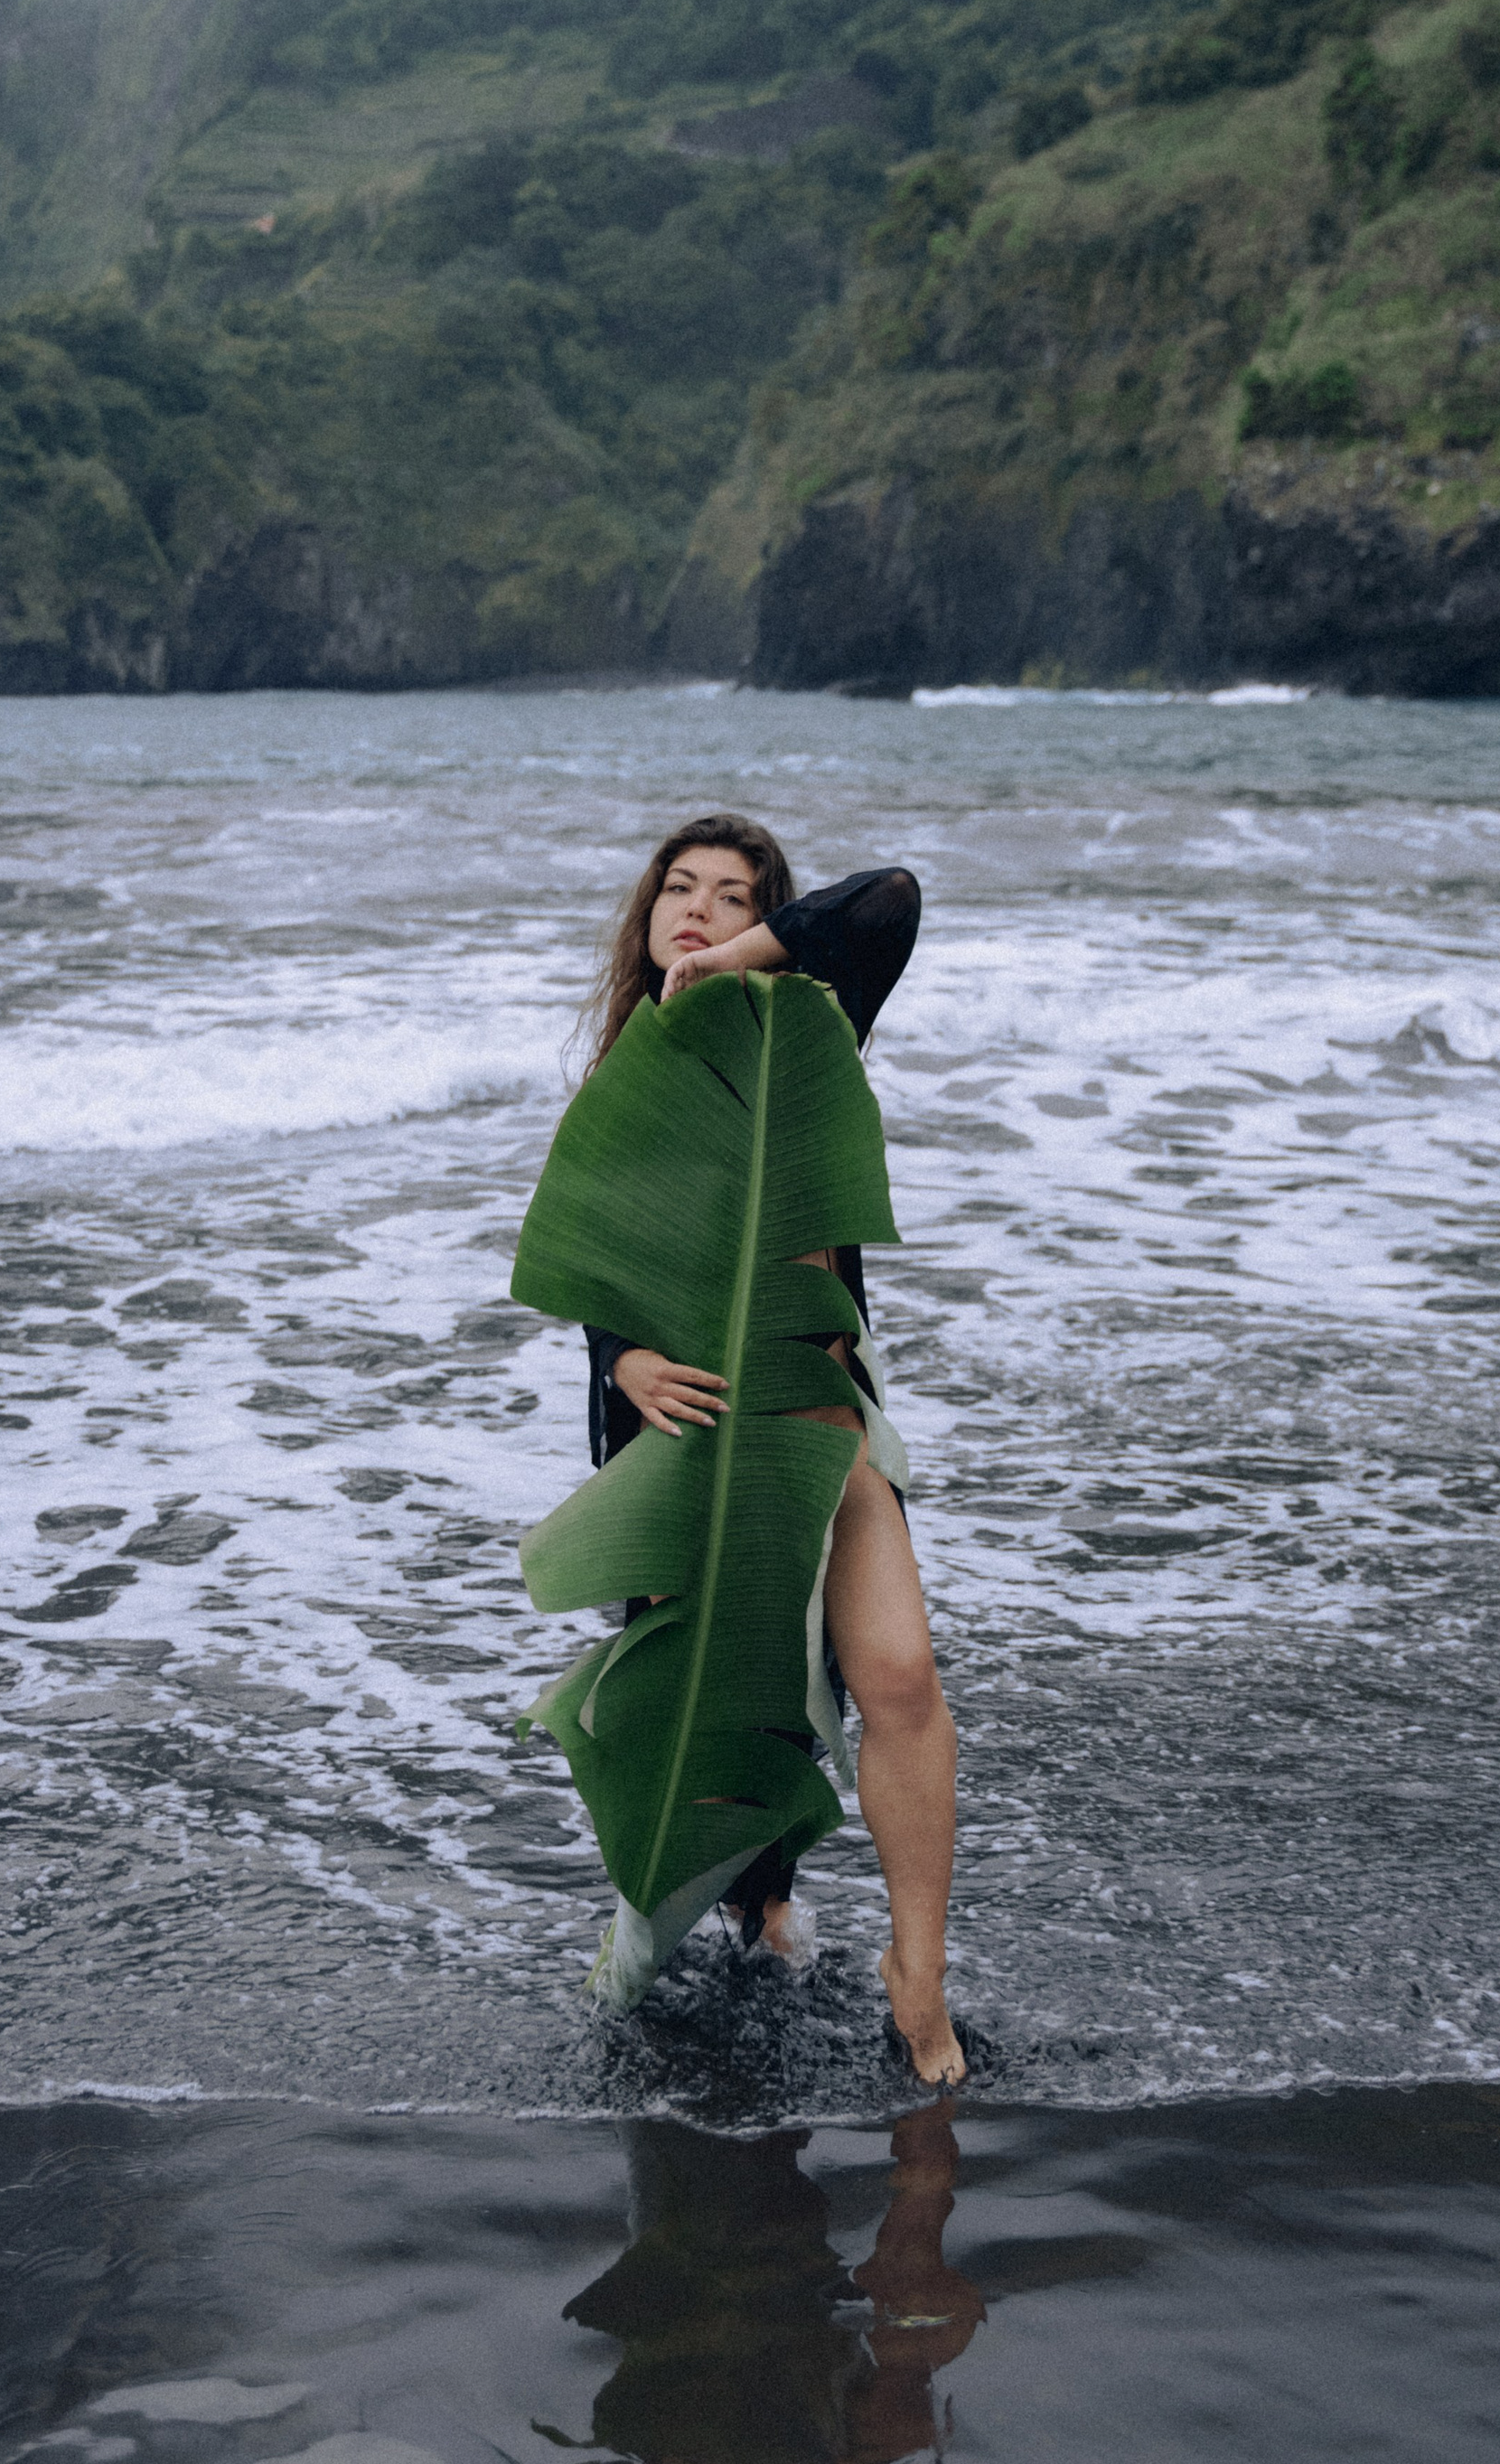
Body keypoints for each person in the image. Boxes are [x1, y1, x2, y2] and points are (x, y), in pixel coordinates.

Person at [576, 813, 963, 2088]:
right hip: (690, 1438)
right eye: (674, 892)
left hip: (823, 1408)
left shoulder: (813, 1034)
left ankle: (919, 1979)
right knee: (722, 1712)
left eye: (729, 894)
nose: (692, 909)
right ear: (641, 921)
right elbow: (596, 1261)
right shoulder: (625, 1076)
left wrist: (748, 963)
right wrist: (624, 1359)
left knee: (897, 1679)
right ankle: (735, 1915)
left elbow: (889, 899)